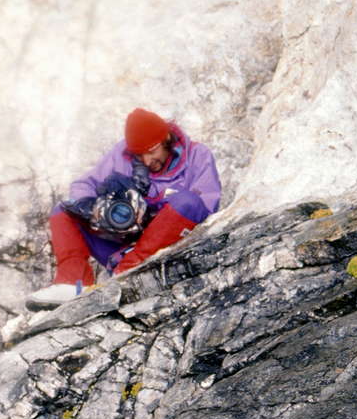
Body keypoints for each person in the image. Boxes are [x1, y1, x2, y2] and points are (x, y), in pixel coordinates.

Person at [27, 108, 221, 309]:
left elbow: (205, 207)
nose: (147, 161)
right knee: (64, 211)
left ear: (167, 139)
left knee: (186, 202)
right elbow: (83, 185)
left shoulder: (198, 155)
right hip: (122, 244)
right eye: (140, 154)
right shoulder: (122, 155)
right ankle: (73, 284)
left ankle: (127, 274)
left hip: (165, 245)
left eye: (152, 151)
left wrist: (153, 210)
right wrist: (92, 206)